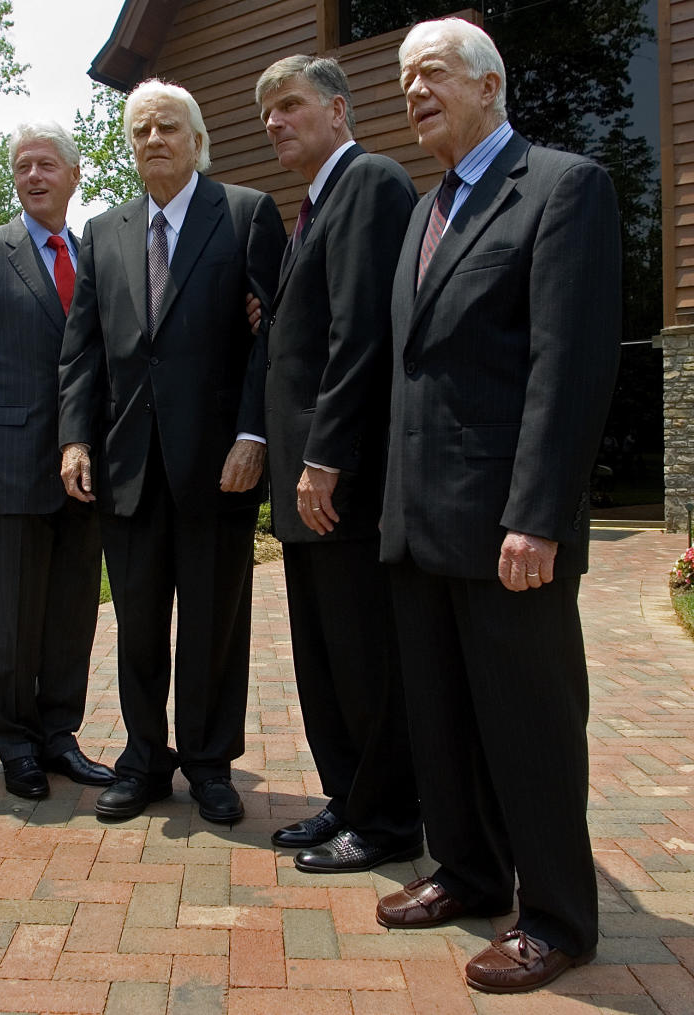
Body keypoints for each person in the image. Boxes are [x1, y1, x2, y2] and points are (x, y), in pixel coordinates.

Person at [376, 18, 621, 993]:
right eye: (403, 81)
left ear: (489, 84)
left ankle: (557, 916)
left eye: (431, 74)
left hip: (509, 529)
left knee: (530, 729)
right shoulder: (425, 212)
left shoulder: (562, 188)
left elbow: (568, 367)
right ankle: (470, 872)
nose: (414, 92)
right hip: (423, 526)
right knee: (442, 722)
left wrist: (539, 514)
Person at [58, 79, 286, 822]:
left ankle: (210, 763)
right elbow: (82, 350)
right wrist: (74, 439)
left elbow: (270, 343)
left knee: (215, 623)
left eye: (167, 127)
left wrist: (254, 434)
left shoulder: (246, 214)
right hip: (127, 466)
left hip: (218, 463)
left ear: (196, 138)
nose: (153, 139)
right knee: (140, 624)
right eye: (140, 130)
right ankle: (145, 759)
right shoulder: (102, 231)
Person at [253, 55, 421, 872]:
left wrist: (325, 459)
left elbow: (360, 334)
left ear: (339, 110)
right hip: (303, 486)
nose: (276, 122)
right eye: (267, 115)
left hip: (339, 483)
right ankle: (347, 795)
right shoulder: (310, 209)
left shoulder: (371, 184)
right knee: (321, 657)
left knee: (363, 658)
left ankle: (388, 821)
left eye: (290, 105)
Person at [0, 122, 112, 800]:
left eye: (45, 165)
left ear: (73, 175)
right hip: (8, 465)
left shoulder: (95, 251)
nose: (32, 176)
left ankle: (59, 734)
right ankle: (15, 741)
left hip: (87, 468)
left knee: (73, 610)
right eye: (21, 167)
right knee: (12, 614)